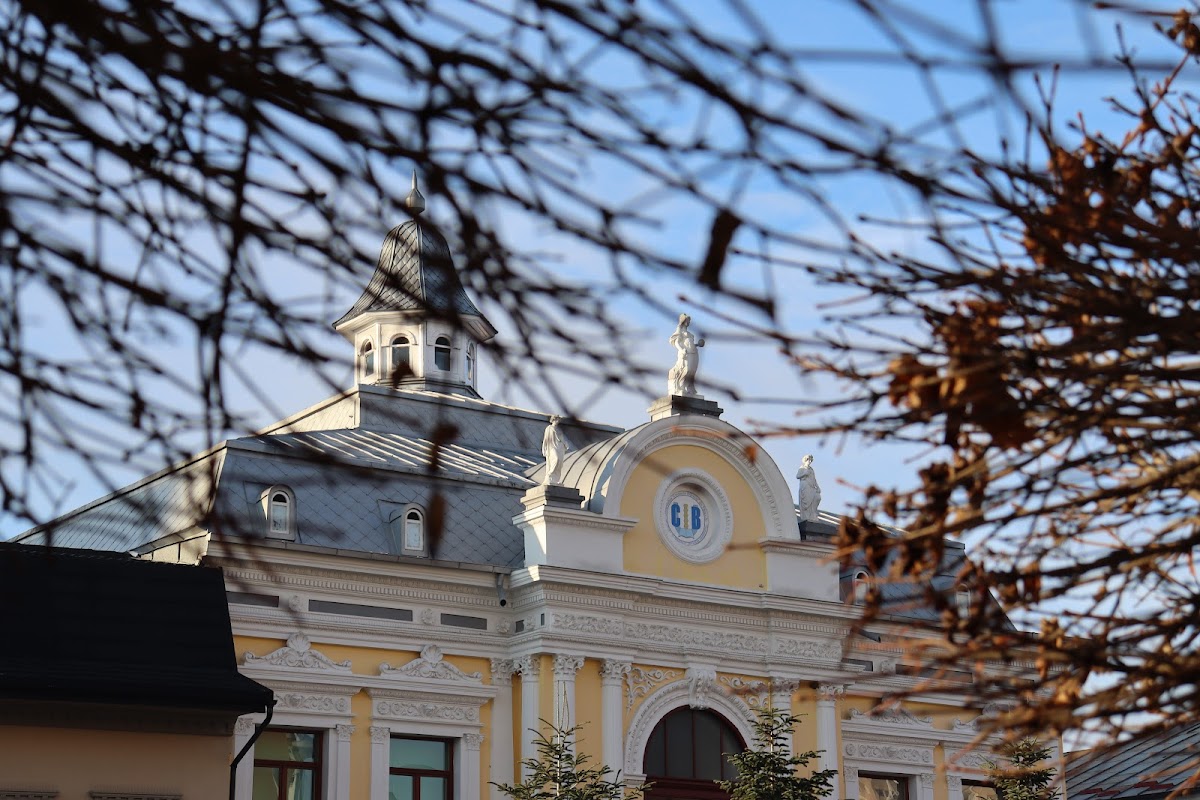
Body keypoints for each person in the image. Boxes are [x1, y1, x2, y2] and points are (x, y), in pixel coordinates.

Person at [668, 313, 705, 396]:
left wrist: (698, 344)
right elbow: (677, 341)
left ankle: (689, 389)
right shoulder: (680, 329)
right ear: (683, 321)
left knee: (692, 371)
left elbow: (690, 343)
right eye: (687, 320)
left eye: (689, 321)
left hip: (693, 353)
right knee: (686, 369)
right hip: (685, 352)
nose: (688, 323)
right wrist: (681, 350)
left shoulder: (689, 333)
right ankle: (681, 387)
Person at [542, 415, 566, 485]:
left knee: (559, 463)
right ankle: (550, 474)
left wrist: (565, 444)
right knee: (556, 459)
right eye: (556, 419)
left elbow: (562, 439)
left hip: (559, 447)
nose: (558, 421)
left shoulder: (559, 430)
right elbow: (546, 439)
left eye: (558, 420)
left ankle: (555, 479)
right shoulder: (549, 428)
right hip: (552, 447)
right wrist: (544, 448)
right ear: (553, 420)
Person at [796, 454, 821, 522]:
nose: (809, 461)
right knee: (806, 501)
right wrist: (804, 473)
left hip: (812, 486)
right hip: (805, 485)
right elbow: (798, 476)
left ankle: (813, 514)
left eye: (810, 460)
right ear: (805, 460)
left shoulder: (811, 469)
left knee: (817, 497)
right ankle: (806, 516)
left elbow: (814, 479)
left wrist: (817, 487)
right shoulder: (802, 468)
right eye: (808, 459)